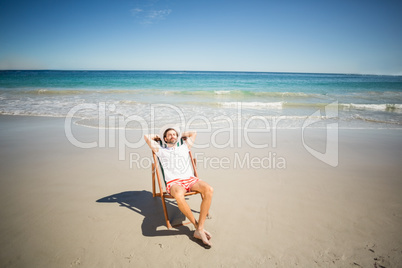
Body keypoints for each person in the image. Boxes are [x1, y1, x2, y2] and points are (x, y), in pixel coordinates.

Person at [144, 126, 214, 247]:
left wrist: (180, 134)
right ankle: (197, 227)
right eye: (169, 135)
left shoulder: (184, 146)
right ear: (164, 138)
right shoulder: (160, 149)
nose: (173, 136)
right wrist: (159, 137)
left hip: (190, 179)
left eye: (175, 134)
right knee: (178, 195)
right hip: (174, 182)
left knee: (209, 189)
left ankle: (199, 228)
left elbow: (194, 132)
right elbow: (147, 137)